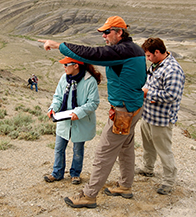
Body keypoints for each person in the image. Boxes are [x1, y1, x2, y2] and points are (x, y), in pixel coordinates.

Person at [39, 15, 147, 208]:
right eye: (102, 33)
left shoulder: (123, 51)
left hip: (123, 112)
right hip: (133, 107)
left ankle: (89, 195)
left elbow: (93, 54)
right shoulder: (134, 49)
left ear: (119, 32)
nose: (104, 36)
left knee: (104, 152)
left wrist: (59, 45)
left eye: (107, 32)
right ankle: (125, 185)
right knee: (126, 147)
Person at [137, 38, 185, 195]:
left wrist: (148, 93)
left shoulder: (173, 70)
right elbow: (150, 83)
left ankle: (168, 181)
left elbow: (172, 95)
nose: (148, 58)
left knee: (164, 151)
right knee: (148, 146)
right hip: (148, 115)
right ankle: (148, 168)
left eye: (149, 55)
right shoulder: (157, 64)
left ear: (157, 52)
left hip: (162, 119)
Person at [44, 56, 101, 185]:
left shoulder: (90, 81)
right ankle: (57, 173)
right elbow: (58, 97)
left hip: (80, 121)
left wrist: (78, 112)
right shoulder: (64, 78)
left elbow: (93, 103)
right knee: (59, 148)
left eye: (66, 65)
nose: (64, 67)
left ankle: (75, 174)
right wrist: (53, 108)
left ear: (76, 66)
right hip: (64, 121)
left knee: (78, 150)